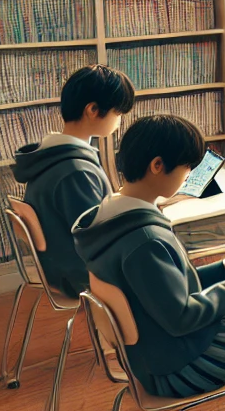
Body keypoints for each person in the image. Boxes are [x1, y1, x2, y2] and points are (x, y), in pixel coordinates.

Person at [74, 114, 225, 397]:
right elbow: (182, 316)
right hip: (179, 368)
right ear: (158, 166)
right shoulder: (144, 240)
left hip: (157, 354)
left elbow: (165, 290)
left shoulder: (111, 218)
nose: (188, 177)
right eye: (187, 169)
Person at [11, 64, 135, 296]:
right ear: (93, 109)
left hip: (58, 266)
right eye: (117, 113)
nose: (119, 120)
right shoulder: (75, 171)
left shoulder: (52, 156)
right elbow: (96, 238)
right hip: (78, 275)